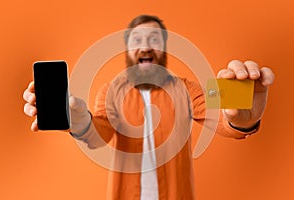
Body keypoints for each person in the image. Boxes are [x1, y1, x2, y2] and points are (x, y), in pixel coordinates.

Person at [23, 15, 275, 200]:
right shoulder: (110, 91)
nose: (145, 46)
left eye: (154, 39)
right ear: (128, 50)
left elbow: (219, 117)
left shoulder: (186, 89)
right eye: (138, 40)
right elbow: (101, 133)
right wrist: (80, 122)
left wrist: (242, 120)